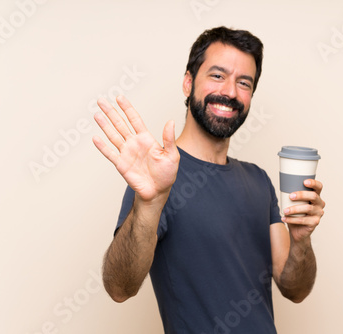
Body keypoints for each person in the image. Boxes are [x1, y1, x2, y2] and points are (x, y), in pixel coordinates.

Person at [92, 26, 325, 334]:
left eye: (244, 82)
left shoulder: (259, 180)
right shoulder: (158, 178)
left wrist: (301, 239)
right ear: (188, 83)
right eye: (217, 75)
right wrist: (149, 204)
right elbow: (119, 287)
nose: (230, 92)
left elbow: (294, 288)